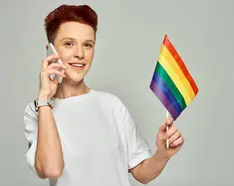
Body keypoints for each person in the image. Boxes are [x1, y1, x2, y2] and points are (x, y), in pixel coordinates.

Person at [22, 4, 184, 186]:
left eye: (87, 45)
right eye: (69, 44)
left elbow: (142, 173)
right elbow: (51, 169)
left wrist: (162, 154)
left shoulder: (112, 105)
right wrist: (44, 99)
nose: (80, 54)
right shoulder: (37, 111)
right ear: (50, 50)